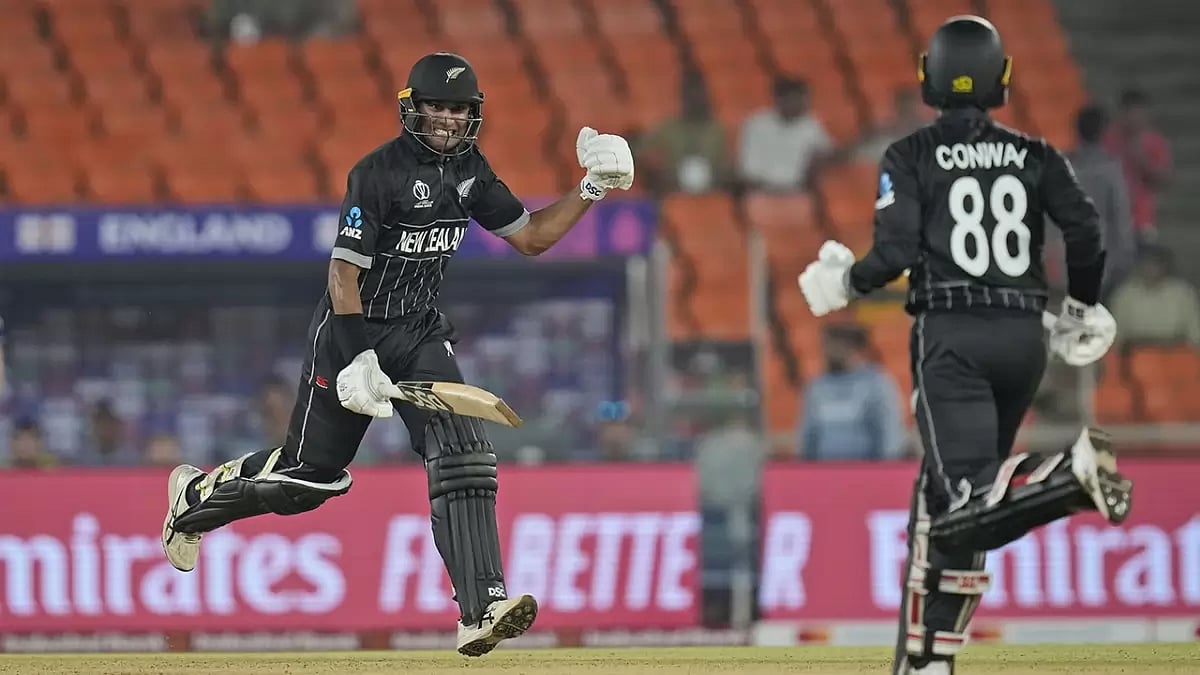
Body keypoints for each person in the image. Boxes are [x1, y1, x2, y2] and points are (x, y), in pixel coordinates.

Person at [159, 51, 634, 658]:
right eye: (437, 107)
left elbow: (533, 237)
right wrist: (359, 358)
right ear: (412, 108)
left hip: (419, 334)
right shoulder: (376, 173)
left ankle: (481, 610)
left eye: (459, 109)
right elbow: (341, 276)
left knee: (465, 453)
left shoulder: (472, 173)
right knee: (309, 481)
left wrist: (591, 188)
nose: (448, 119)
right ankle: (196, 499)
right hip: (350, 333)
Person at [795, 17, 1133, 675]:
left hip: (952, 337)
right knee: (944, 497)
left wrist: (844, 282)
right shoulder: (1035, 154)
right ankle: (928, 659)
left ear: (929, 77)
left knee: (966, 494)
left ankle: (1067, 476)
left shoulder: (911, 155)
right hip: (1024, 338)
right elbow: (1086, 230)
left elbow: (894, 253)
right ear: (1002, 79)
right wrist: (1081, 305)